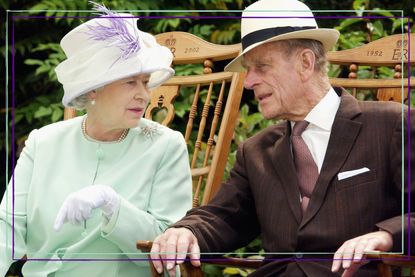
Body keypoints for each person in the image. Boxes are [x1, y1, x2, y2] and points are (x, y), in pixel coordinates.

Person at [149, 0, 415, 276]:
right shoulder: (255, 152)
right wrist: (185, 231)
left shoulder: (392, 125)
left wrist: (387, 236)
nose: (249, 81)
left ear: (305, 63)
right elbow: (224, 217)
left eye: (261, 66)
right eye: (248, 69)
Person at [0, 3, 192, 276]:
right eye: (130, 82)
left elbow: (167, 248)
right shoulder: (42, 142)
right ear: (92, 90)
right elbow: (8, 225)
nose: (144, 95)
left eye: (145, 81)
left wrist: (114, 205)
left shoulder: (166, 146)